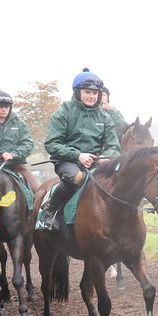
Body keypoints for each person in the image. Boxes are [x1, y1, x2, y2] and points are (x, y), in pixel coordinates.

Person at [37, 68, 121, 229]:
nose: (91, 96)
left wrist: (106, 156)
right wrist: (78, 155)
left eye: (95, 93)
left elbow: (113, 146)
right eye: (87, 92)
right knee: (77, 178)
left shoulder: (105, 117)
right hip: (67, 161)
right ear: (77, 92)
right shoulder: (63, 112)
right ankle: (50, 210)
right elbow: (52, 144)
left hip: (96, 161)